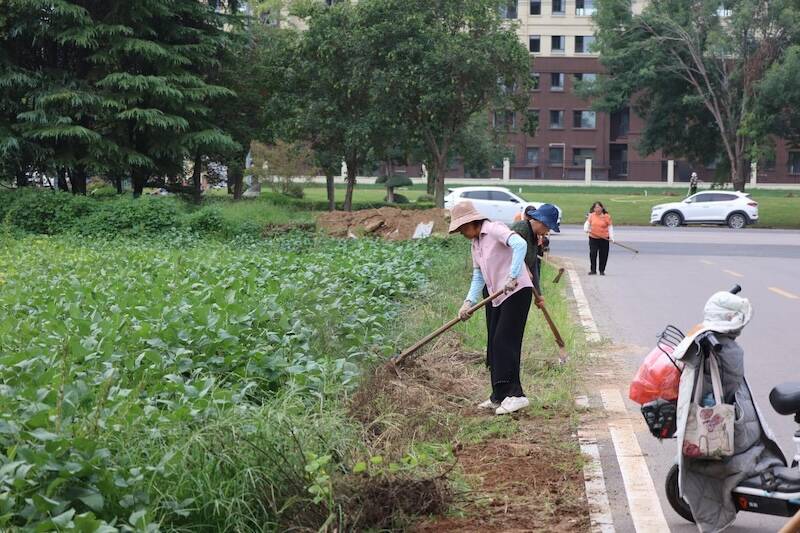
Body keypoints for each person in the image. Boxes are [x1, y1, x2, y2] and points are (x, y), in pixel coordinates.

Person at [451, 201, 559, 416]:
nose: (462, 233)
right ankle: (498, 395)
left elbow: (519, 245)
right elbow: (478, 276)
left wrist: (512, 276)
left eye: (462, 228)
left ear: (472, 222)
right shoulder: (475, 244)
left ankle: (516, 395)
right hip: (497, 295)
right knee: (494, 343)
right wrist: (468, 303)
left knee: (505, 340)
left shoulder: (494, 229)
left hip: (516, 291)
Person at [510, 205, 553, 299]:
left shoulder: (535, 235)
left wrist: (538, 294)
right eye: (548, 228)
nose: (547, 232)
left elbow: (533, 265)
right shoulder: (521, 228)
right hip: (508, 285)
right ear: (542, 222)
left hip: (523, 284)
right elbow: (511, 252)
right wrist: (525, 269)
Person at [584, 201, 614, 276]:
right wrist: (586, 229)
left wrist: (611, 237)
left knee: (603, 255)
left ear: (602, 208)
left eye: (598, 207)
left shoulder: (606, 216)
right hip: (593, 238)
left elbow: (610, 227)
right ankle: (593, 270)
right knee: (593, 253)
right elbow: (587, 223)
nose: (597, 209)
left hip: (604, 238)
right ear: (593, 209)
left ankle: (601, 270)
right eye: (595, 207)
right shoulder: (591, 216)